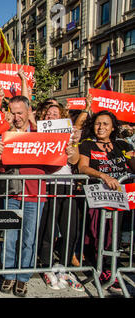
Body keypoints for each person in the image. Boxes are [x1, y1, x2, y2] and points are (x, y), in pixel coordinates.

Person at [0, 95, 60, 297]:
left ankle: (23, 278)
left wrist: (64, 151)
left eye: (20, 112)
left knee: (29, 239)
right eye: (12, 113)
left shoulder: (40, 134)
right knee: (10, 238)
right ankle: (9, 275)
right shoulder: (4, 135)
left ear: (28, 112)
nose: (16, 117)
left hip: (35, 195)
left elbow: (53, 166)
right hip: (12, 195)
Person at [78, 110, 134, 291]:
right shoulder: (87, 145)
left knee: (115, 235)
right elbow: (83, 167)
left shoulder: (122, 145)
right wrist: (102, 175)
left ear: (113, 128)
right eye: (98, 124)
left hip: (121, 198)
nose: (101, 127)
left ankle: (112, 269)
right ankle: (103, 269)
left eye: (105, 124)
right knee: (98, 233)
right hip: (98, 196)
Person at [36, 103, 84, 292]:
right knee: (48, 229)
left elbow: (74, 161)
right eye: (48, 113)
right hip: (48, 185)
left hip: (67, 185)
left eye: (55, 113)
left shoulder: (70, 132)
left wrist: (72, 147)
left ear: (62, 116)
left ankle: (64, 267)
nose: (51, 115)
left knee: (70, 229)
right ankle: (47, 265)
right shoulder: (39, 132)